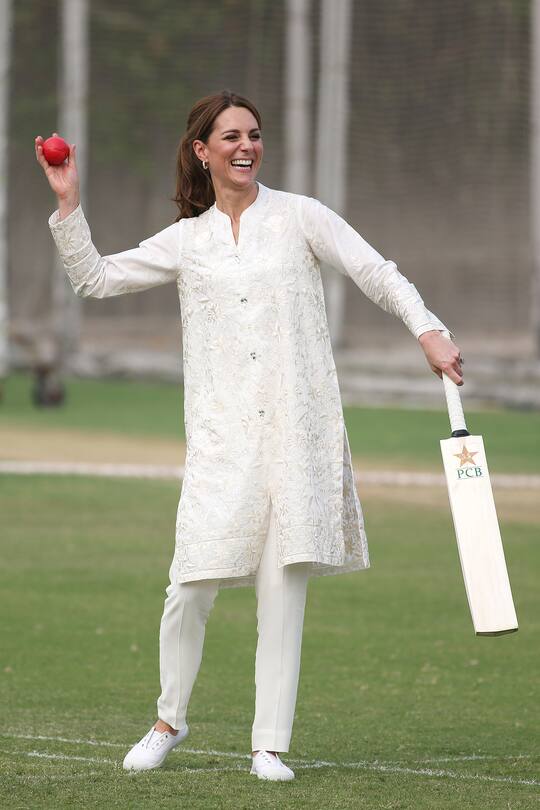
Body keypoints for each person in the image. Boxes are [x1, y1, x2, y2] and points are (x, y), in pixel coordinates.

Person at [35, 89, 463, 782]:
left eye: (255, 135)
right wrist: (67, 203)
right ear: (202, 151)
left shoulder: (301, 218)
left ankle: (268, 745)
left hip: (297, 432)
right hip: (221, 441)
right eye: (231, 136)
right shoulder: (187, 240)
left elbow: (374, 271)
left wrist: (428, 328)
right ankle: (168, 721)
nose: (246, 146)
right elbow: (94, 278)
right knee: (188, 588)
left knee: (282, 590)